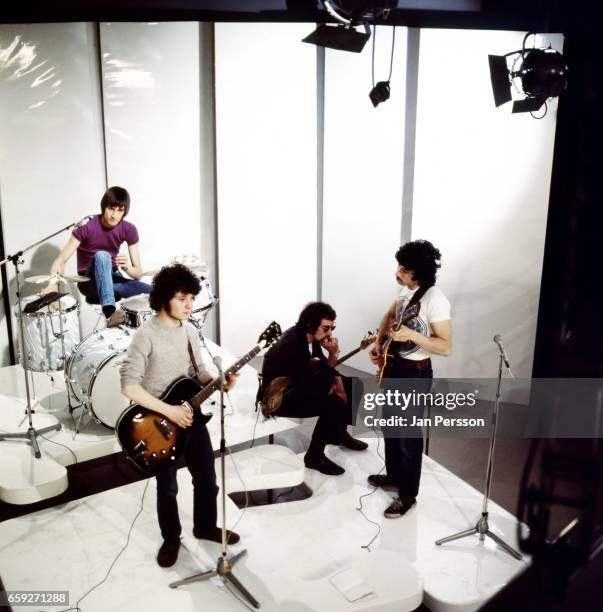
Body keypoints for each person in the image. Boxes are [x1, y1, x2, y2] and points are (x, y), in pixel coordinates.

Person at [120, 263, 239, 568]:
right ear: (164, 298)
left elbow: (198, 371)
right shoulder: (145, 335)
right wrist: (169, 409)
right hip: (158, 423)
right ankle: (171, 539)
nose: (189, 305)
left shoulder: (189, 330)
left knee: (208, 479)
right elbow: (130, 387)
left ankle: (204, 526)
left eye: (191, 299)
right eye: (182, 298)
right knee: (168, 489)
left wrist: (217, 380)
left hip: (191, 417)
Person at [369, 240, 451, 518]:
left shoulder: (435, 299)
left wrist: (412, 336)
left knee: (407, 435)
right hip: (395, 367)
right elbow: (389, 315)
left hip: (415, 374)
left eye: (404, 269)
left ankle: (408, 494)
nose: (398, 273)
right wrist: (379, 343)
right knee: (391, 425)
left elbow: (445, 346)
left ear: (420, 272)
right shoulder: (406, 292)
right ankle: (394, 476)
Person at [259, 301, 367, 476]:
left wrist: (334, 373)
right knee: (333, 403)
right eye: (326, 328)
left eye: (332, 328)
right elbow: (313, 384)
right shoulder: (293, 345)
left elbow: (321, 368)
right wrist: (333, 362)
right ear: (310, 324)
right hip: (278, 398)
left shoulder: (310, 338)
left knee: (355, 384)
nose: (330, 333)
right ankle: (314, 457)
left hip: (297, 386)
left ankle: (339, 433)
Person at [42, 186, 150, 327]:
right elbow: (60, 260)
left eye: (120, 210)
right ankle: (110, 314)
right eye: (111, 208)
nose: (114, 215)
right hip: (89, 282)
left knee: (157, 293)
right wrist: (52, 284)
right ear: (104, 207)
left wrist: (127, 268)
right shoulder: (87, 225)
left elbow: (138, 274)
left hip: (112, 279)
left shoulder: (129, 229)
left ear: (125, 212)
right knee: (102, 255)